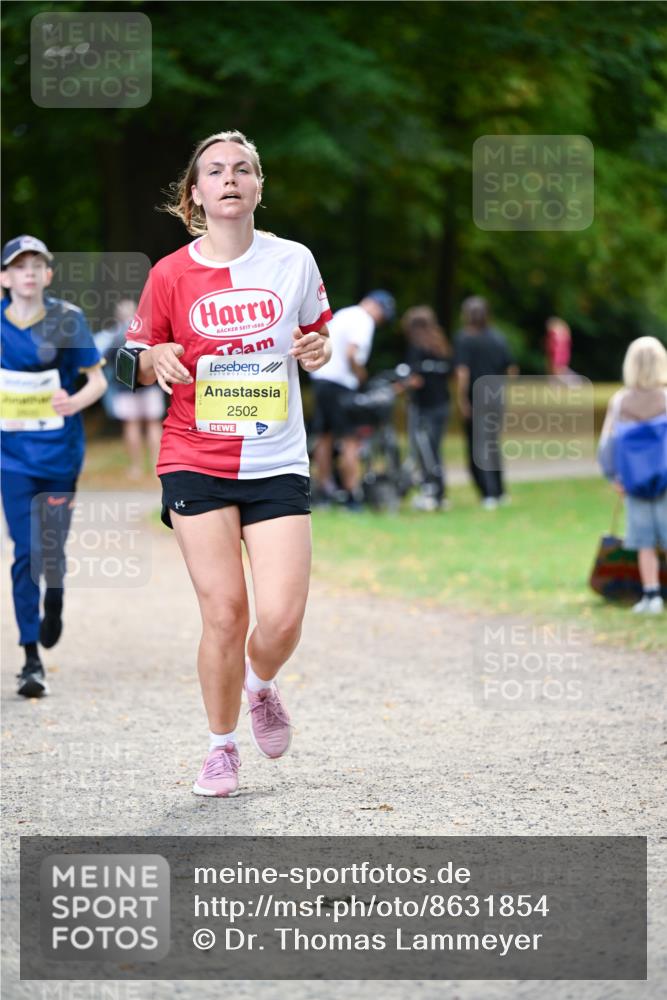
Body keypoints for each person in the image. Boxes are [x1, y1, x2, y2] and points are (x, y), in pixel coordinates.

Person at [122, 130, 332, 797]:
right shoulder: (169, 274)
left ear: (259, 188)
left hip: (274, 459)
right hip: (194, 455)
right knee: (224, 613)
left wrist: (318, 351)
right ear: (196, 193)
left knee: (282, 619)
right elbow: (131, 356)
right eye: (215, 171)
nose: (230, 178)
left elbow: (316, 334)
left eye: (243, 169)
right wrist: (152, 357)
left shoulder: (294, 261)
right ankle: (219, 749)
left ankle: (260, 682)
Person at [1, 235, 107, 696]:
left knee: (50, 548)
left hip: (61, 452)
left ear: (47, 274)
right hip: (12, 458)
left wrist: (73, 401)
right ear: (4, 278)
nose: (27, 272)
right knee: (25, 552)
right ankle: (30, 658)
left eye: (35, 265)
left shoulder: (68, 319)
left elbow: (98, 383)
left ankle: (56, 597)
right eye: (17, 265)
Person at [598, 336, 667, 614]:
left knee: (644, 542)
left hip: (634, 482)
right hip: (665, 480)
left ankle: (651, 596)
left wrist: (613, 475)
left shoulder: (621, 401)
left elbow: (607, 443)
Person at [309, 289, 395, 508]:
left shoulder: (343, 314)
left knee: (324, 437)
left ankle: (325, 489)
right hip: (340, 385)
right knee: (350, 439)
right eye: (382, 316)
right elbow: (352, 353)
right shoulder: (363, 320)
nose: (380, 321)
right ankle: (351, 494)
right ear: (375, 306)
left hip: (321, 379)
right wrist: (361, 375)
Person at [453, 296, 518, 509]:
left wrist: (461, 399)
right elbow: (511, 369)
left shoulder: (464, 339)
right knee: (492, 443)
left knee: (478, 446)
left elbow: (463, 372)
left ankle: (488, 492)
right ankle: (499, 491)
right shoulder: (498, 338)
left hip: (476, 397)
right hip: (495, 395)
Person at [95, 298, 164, 479]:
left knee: (131, 425)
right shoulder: (148, 332)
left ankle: (136, 468)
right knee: (153, 423)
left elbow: (105, 359)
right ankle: (158, 466)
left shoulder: (113, 335)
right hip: (150, 386)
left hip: (124, 388)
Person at [402, 306, 453, 511]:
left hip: (423, 407)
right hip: (442, 404)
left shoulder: (416, 348)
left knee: (424, 450)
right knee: (434, 449)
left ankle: (431, 490)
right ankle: (438, 491)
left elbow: (412, 378)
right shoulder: (441, 345)